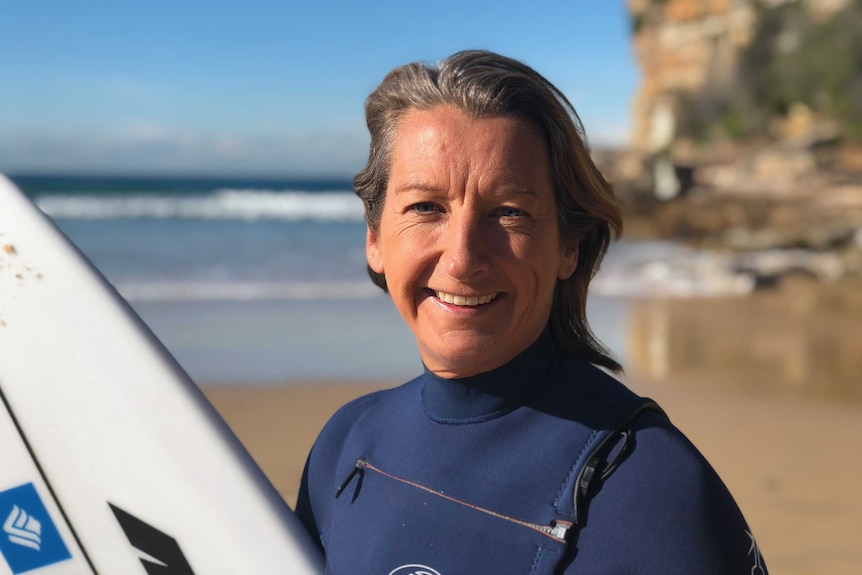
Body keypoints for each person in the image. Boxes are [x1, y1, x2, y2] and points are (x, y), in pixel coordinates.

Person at [295, 50, 767, 574]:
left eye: (509, 213)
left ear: (569, 246)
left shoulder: (650, 486)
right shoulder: (345, 445)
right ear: (374, 239)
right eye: (426, 207)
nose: (462, 258)